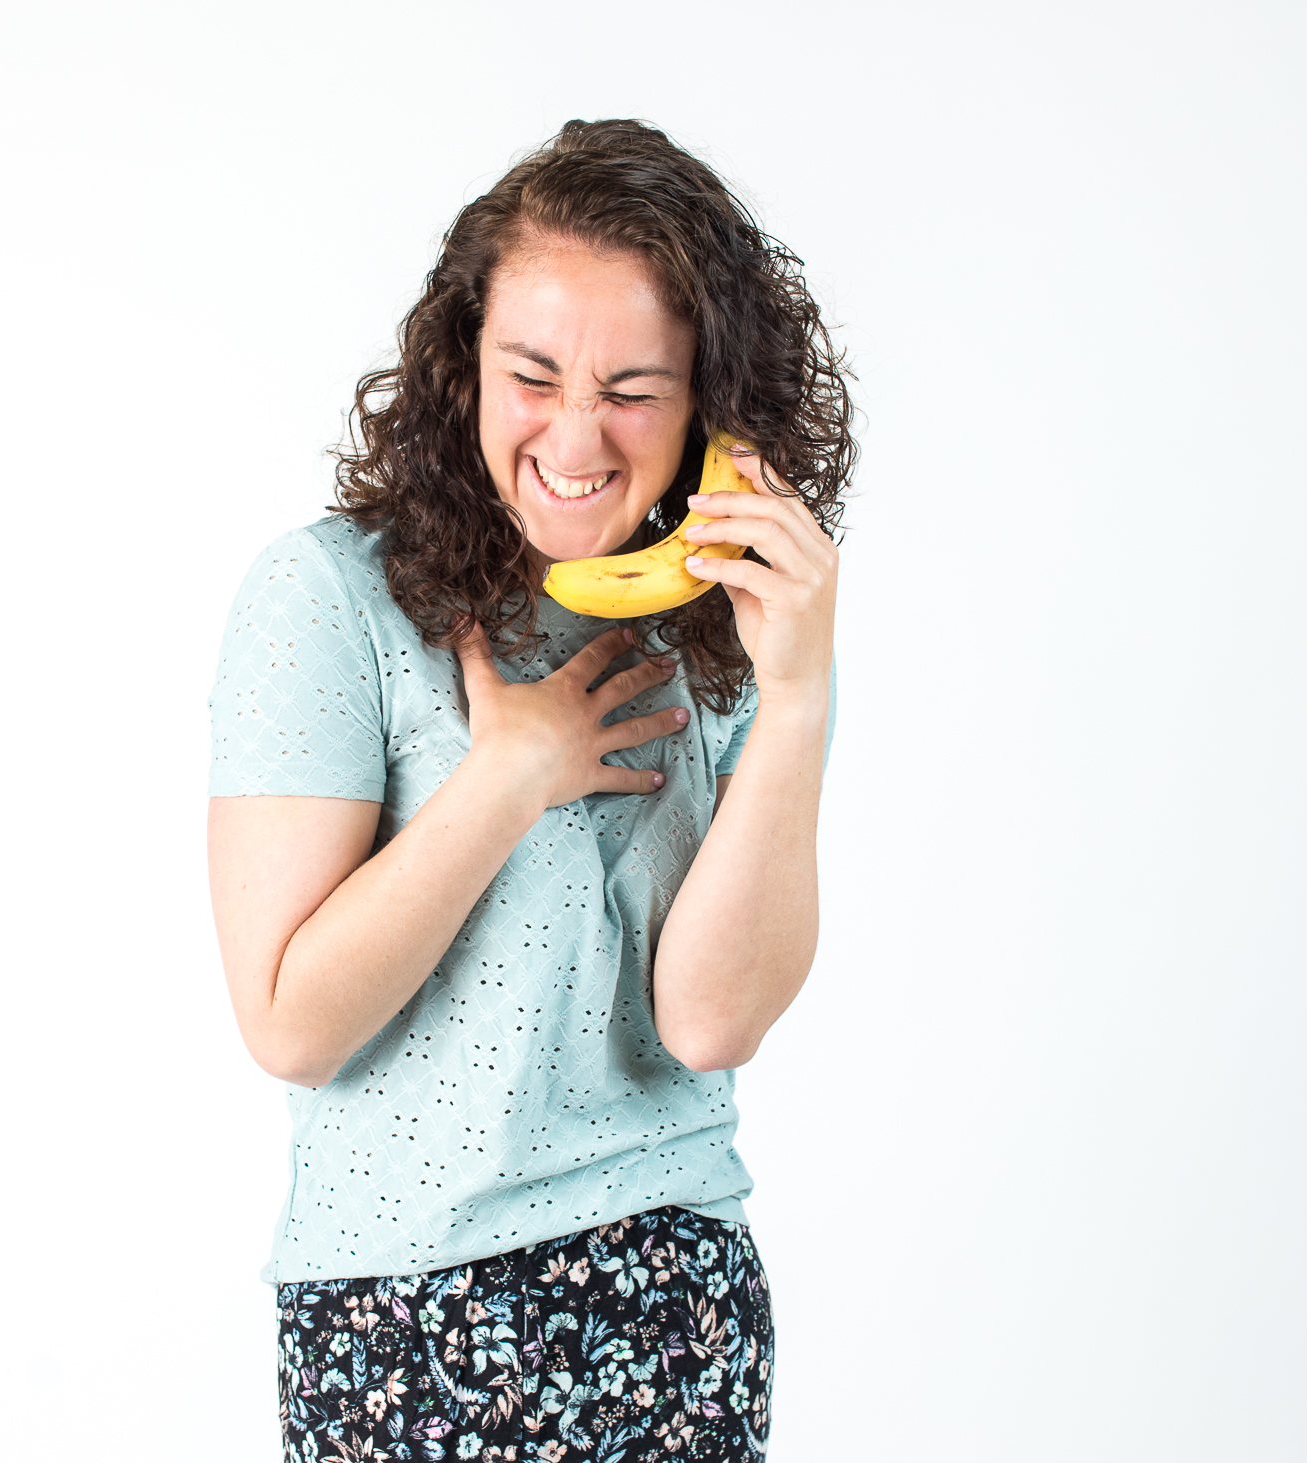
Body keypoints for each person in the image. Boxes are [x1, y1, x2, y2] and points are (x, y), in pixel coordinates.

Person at [209, 119, 854, 1463]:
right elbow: (290, 1024)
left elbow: (711, 1018)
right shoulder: (330, 601)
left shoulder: (729, 630)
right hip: (404, 1313)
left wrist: (796, 696)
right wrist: (508, 775)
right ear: (465, 371)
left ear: (708, 408)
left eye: (633, 387)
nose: (576, 433)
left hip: (676, 1297)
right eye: (534, 375)